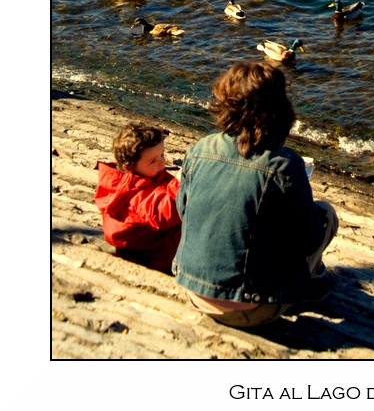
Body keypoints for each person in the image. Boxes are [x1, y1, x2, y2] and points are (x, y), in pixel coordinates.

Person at [173, 60, 338, 328]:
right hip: (254, 307)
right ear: (279, 108)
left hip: (193, 290)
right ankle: (309, 282)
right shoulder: (285, 164)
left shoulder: (199, 149)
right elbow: (309, 240)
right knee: (326, 214)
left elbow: (184, 212)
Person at [94, 123, 181, 274]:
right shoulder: (132, 194)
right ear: (130, 167)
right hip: (153, 256)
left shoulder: (148, 174)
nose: (162, 162)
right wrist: (181, 183)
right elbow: (163, 212)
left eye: (162, 155)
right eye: (153, 161)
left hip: (149, 242)